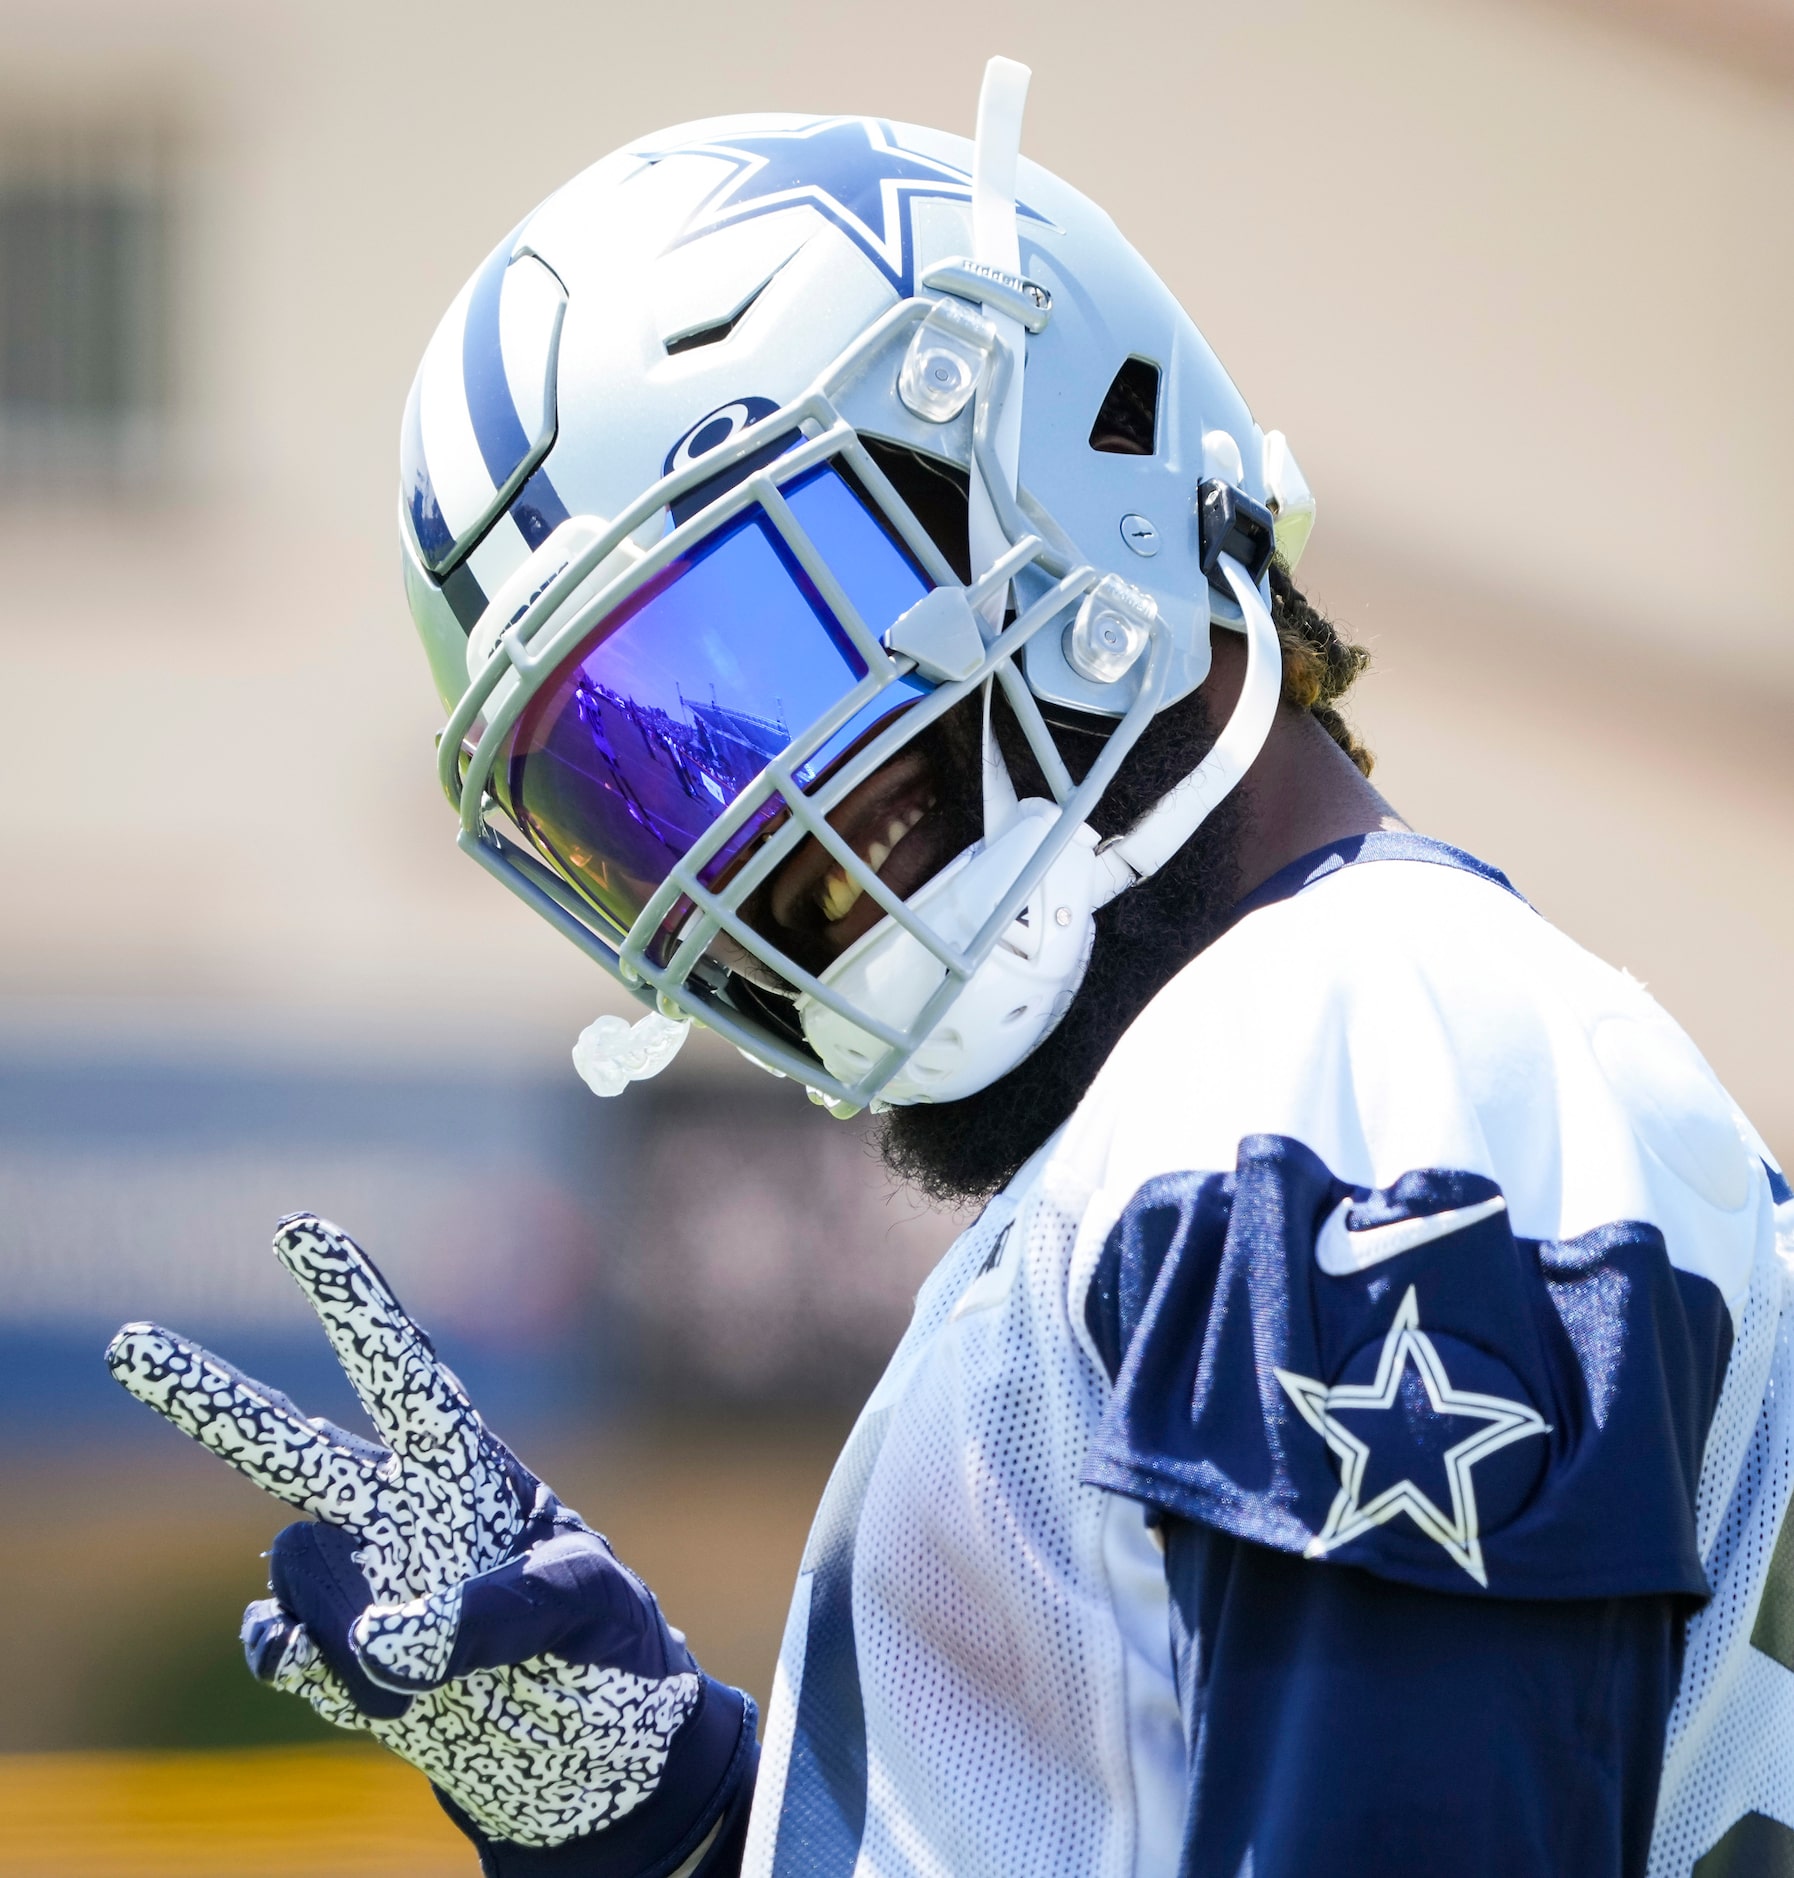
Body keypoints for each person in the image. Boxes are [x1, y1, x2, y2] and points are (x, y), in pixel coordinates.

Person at [107, 58, 1794, 1878]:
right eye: (622, 785)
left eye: (760, 654)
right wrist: (677, 1821)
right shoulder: (1239, 1099)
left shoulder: (1351, 1055)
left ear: (1069, 462)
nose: (738, 838)